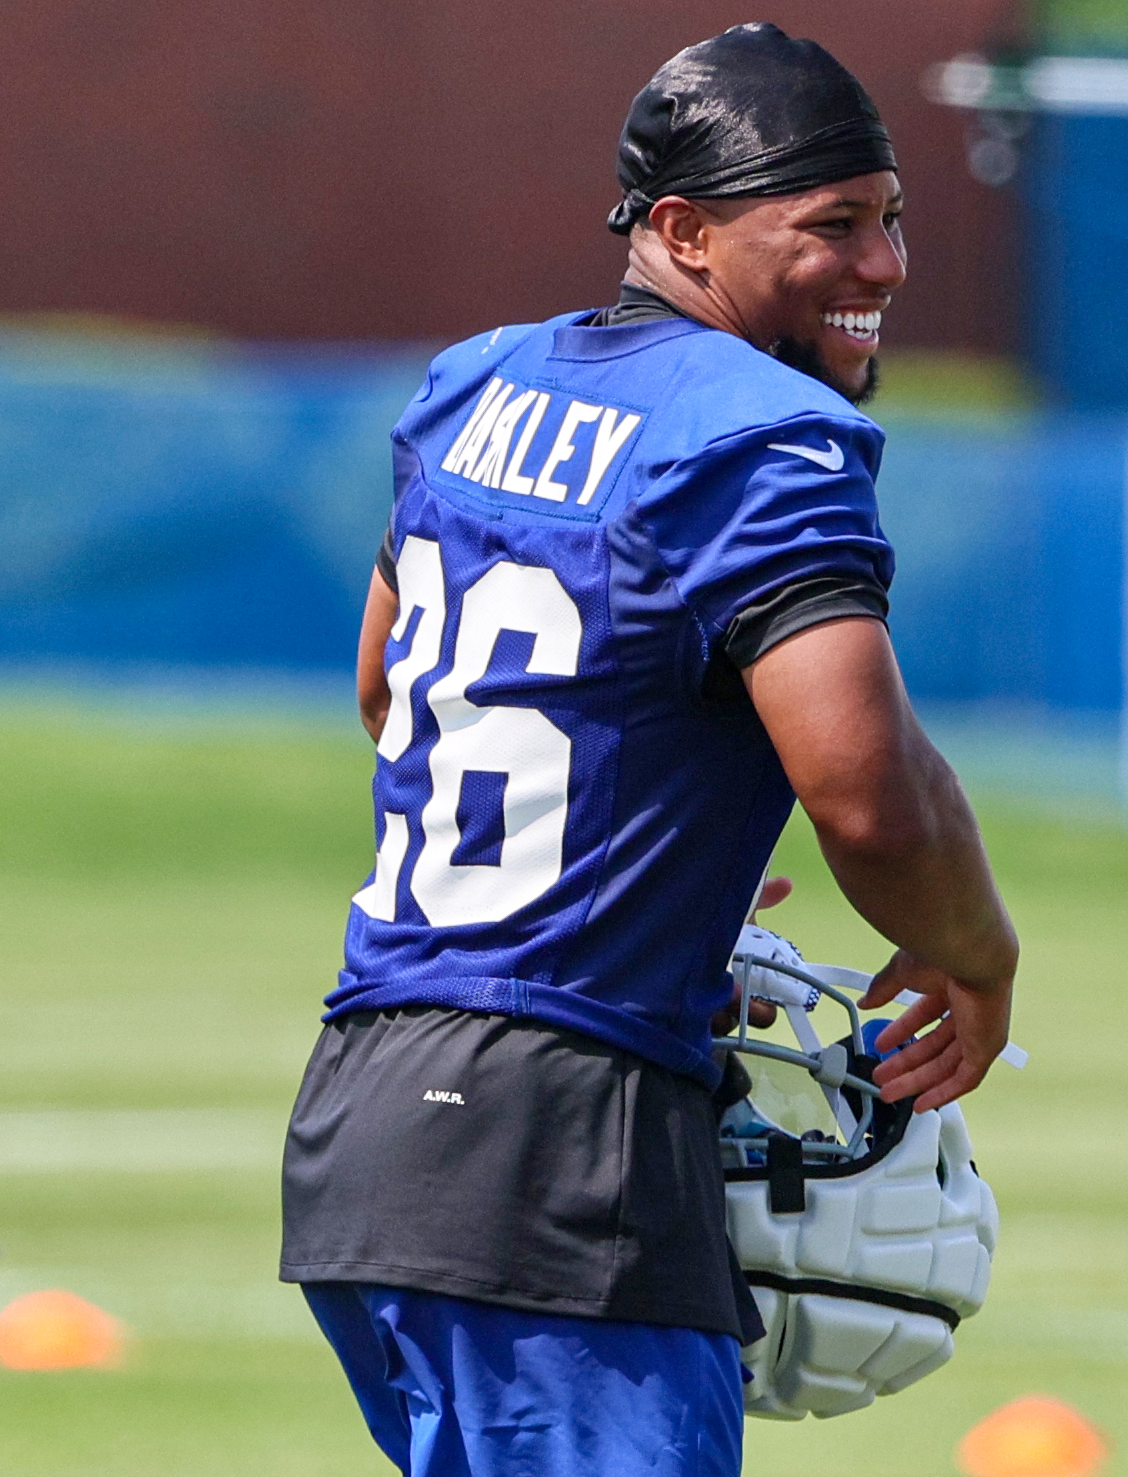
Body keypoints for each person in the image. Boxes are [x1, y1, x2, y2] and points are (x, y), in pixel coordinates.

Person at [280, 22, 1018, 1477]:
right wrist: (974, 952)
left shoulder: (475, 385)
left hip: (367, 1124)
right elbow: (867, 790)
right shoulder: (756, 432)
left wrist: (635, 856)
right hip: (563, 1150)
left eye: (892, 221)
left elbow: (386, 686)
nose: (884, 267)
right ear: (678, 229)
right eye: (833, 227)